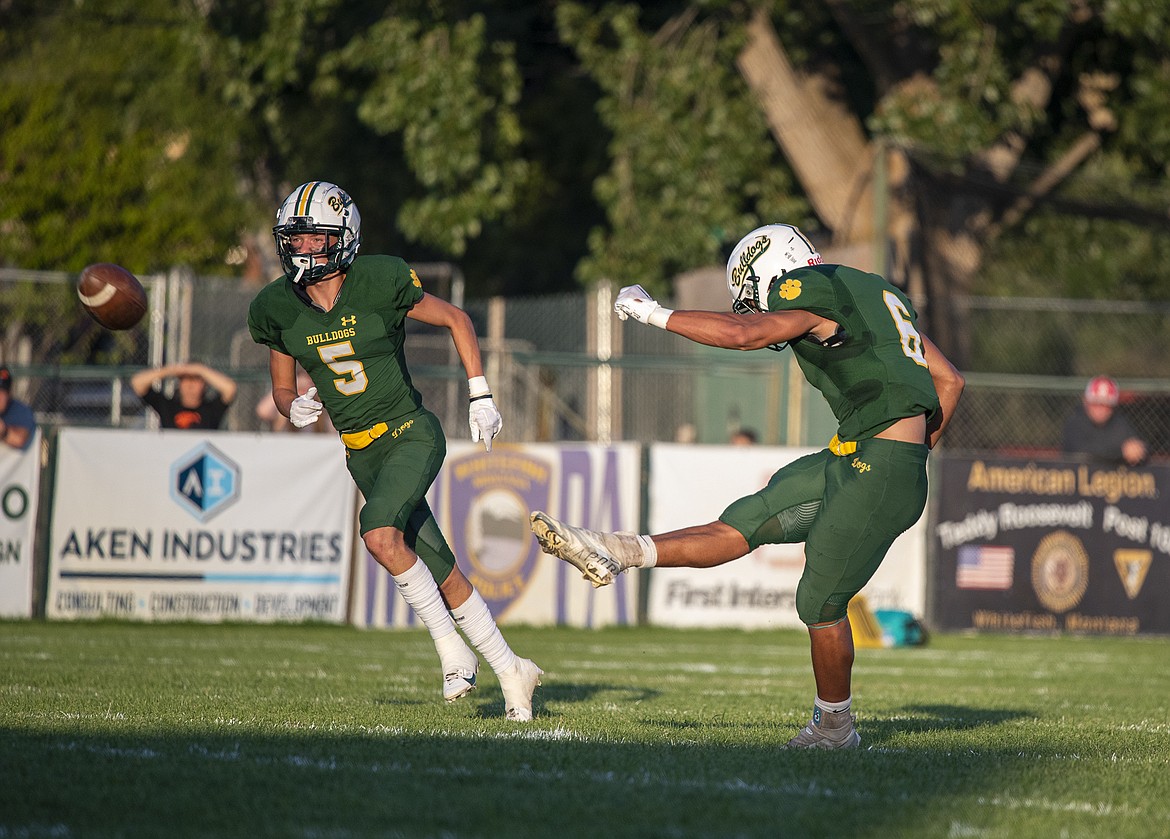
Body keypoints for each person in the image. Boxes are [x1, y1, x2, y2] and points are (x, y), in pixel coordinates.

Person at [531, 223, 964, 749]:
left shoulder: (803, 288)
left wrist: (654, 313)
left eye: (754, 298)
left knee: (820, 599)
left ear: (769, 276)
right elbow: (950, 380)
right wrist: (916, 449)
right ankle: (618, 550)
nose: (757, 310)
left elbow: (743, 335)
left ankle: (835, 729)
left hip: (877, 459)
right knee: (748, 517)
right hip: (856, 454)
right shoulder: (877, 289)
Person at [247, 181, 541, 720]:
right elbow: (282, 386)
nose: (303, 248)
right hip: (361, 453)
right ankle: (512, 670)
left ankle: (452, 652)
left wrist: (481, 394)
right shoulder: (276, 307)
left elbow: (458, 319)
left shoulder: (378, 280)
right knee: (440, 566)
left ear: (343, 240)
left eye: (315, 238)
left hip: (410, 432)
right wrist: (292, 408)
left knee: (380, 534)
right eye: (297, 238)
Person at [1061, 375, 1147, 466]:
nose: (1100, 409)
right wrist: (1120, 452)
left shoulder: (1120, 423)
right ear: (1085, 401)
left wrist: (1139, 450)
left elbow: (1141, 446)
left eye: (1106, 404)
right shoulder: (1075, 423)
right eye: (1095, 403)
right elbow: (1082, 452)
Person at [131, 362, 238, 430]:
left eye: (195, 380)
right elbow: (137, 383)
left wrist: (200, 370)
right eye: (185, 379)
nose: (190, 385)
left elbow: (230, 389)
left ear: (204, 384)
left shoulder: (212, 409)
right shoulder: (168, 406)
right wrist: (169, 370)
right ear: (180, 384)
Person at [256, 366, 334, 434]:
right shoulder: (283, 406)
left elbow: (332, 430)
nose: (309, 381)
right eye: (300, 389)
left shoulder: (321, 407)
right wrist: (284, 390)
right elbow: (263, 411)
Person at [0, 366, 37, 451]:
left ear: (9, 394)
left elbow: (20, 440)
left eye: (1, 392)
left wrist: (4, 432)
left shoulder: (20, 410)